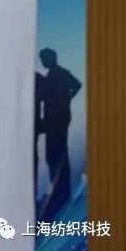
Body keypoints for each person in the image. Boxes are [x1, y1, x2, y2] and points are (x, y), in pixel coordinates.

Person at [39, 48, 82, 220]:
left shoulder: (59, 74)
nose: (42, 62)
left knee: (56, 156)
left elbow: (77, 85)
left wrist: (67, 99)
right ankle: (59, 192)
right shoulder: (54, 74)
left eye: (44, 59)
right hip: (55, 120)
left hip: (57, 121)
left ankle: (61, 194)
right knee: (55, 156)